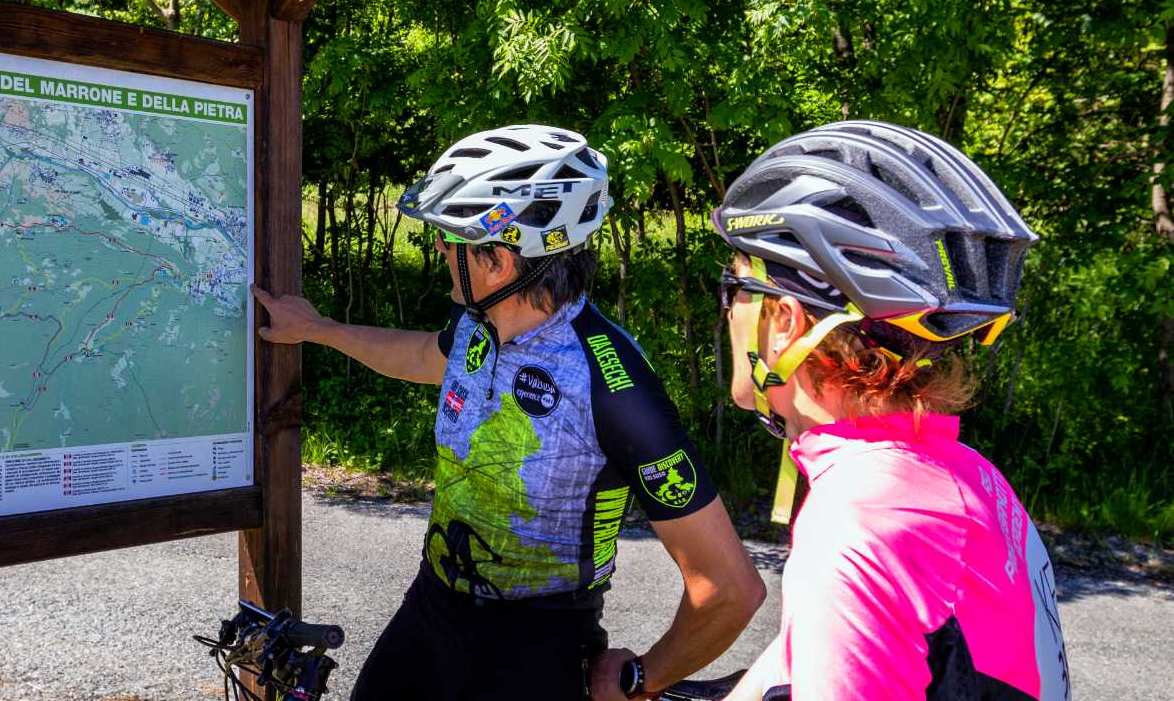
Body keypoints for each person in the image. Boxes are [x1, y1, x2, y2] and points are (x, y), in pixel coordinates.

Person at [252, 124, 764, 701]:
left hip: (537, 647)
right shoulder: (480, 324)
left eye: (451, 239)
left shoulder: (613, 384)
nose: (441, 249)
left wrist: (642, 676)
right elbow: (424, 356)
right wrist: (319, 330)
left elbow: (729, 588)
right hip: (431, 613)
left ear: (497, 260)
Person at [711, 121, 1071, 700]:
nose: (727, 313)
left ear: (784, 323)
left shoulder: (860, 527)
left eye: (734, 291)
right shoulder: (965, 476)